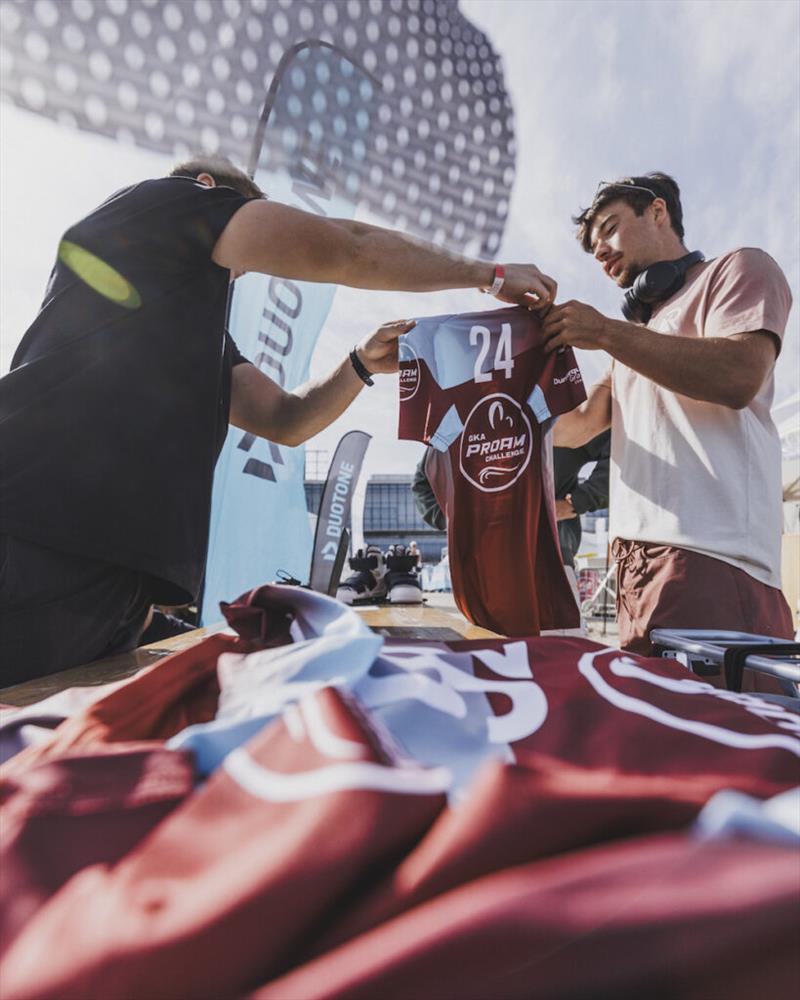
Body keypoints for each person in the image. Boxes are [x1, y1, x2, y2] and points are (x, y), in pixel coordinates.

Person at [0, 155, 556, 684]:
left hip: (105, 576)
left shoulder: (193, 336)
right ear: (211, 192)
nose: (242, 272)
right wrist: (490, 273)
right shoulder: (172, 201)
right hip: (39, 537)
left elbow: (285, 419)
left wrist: (358, 362)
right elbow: (349, 248)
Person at [542, 173, 793, 667]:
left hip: (713, 560)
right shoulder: (636, 337)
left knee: (728, 739)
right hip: (636, 572)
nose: (600, 251)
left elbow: (739, 375)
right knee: (662, 740)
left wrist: (608, 333)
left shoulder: (738, 268)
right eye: (593, 247)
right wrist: (491, 408)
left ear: (658, 212)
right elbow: (583, 423)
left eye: (610, 228)